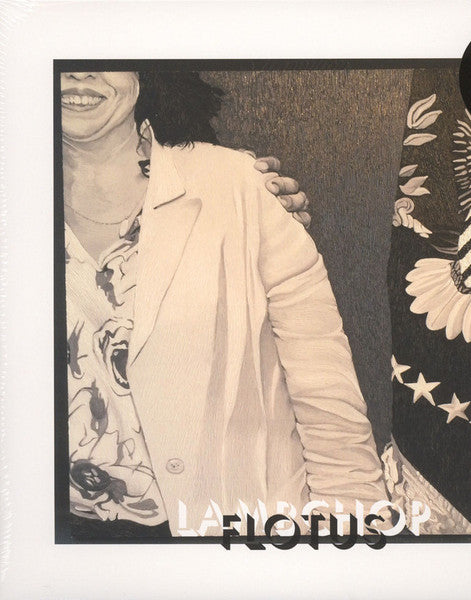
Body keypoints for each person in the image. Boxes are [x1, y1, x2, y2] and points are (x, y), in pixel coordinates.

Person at [61, 70, 388, 539]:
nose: (80, 69)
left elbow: (323, 384)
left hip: (244, 529)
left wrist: (353, 530)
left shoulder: (237, 184)